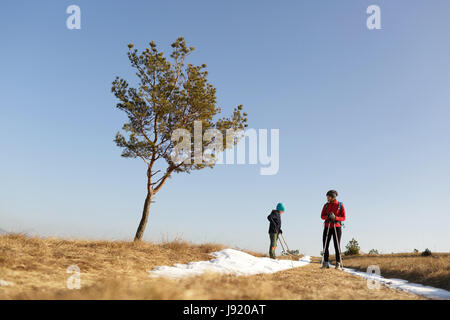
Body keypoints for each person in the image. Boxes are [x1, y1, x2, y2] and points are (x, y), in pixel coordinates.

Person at [321, 190, 346, 270]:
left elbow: (344, 217)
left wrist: (336, 218)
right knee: (325, 245)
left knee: (337, 245)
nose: (327, 198)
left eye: (328, 196)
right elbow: (322, 216)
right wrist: (327, 216)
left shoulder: (340, 205)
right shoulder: (326, 205)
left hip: (337, 226)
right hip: (327, 226)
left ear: (332, 196)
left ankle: (338, 264)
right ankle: (325, 263)